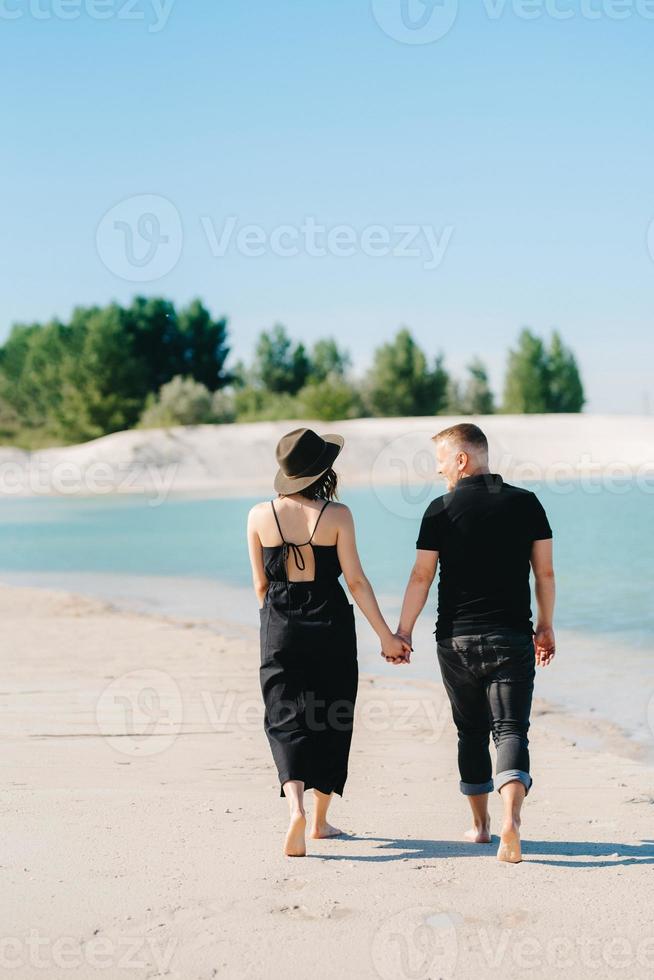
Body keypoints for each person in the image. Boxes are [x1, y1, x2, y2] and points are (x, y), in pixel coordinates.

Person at [388, 423, 555, 863]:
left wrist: (402, 632)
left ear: (462, 459)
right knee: (511, 729)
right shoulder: (526, 503)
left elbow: (421, 576)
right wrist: (546, 626)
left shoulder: (439, 510)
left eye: (441, 459)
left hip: (456, 640)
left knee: (471, 732)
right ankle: (511, 823)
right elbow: (545, 574)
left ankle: (481, 827)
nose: (438, 468)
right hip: (512, 636)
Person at [247, 427, 409, 857]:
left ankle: (295, 809)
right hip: (330, 620)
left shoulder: (258, 515)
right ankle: (319, 821)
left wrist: (277, 625)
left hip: (279, 621)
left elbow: (260, 586)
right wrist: (387, 636)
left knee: (284, 714)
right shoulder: (338, 515)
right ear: (322, 470)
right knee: (331, 711)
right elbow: (355, 581)